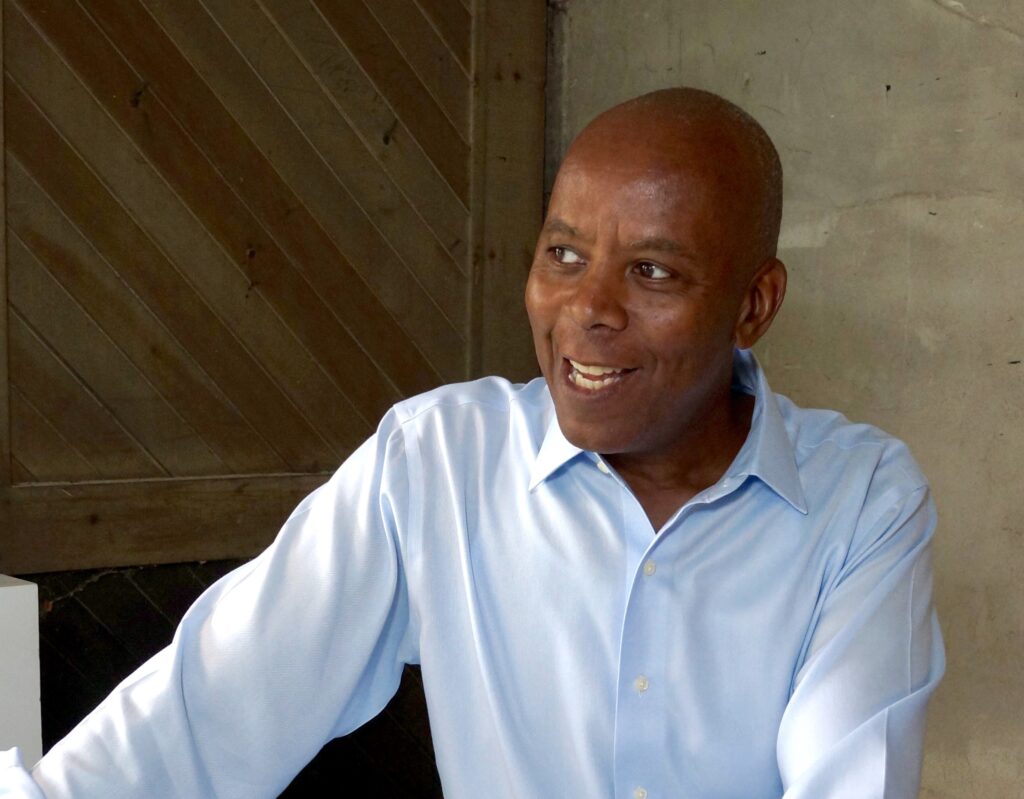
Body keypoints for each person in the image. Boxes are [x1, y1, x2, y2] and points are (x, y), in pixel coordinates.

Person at [1, 88, 943, 798]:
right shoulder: (438, 463)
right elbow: (206, 715)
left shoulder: (861, 500)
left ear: (753, 305)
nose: (588, 310)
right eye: (564, 256)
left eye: (652, 270)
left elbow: (848, 777)